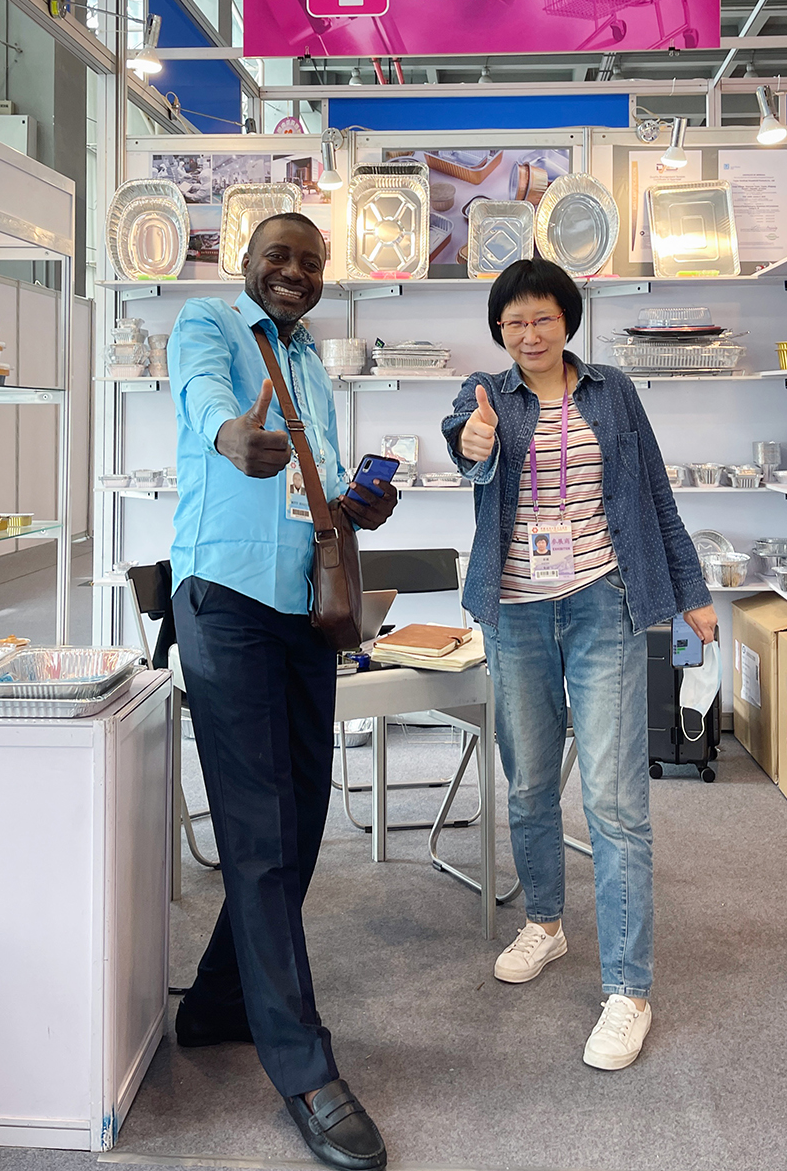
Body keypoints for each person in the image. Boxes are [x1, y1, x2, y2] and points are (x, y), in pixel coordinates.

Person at [442, 258, 716, 1072]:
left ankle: (629, 991)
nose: (529, 335)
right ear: (498, 330)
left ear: (568, 320)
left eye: (543, 319)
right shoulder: (486, 395)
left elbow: (655, 494)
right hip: (517, 613)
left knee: (615, 800)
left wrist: (692, 591)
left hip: (606, 603)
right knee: (529, 783)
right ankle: (546, 924)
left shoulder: (612, 392)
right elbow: (466, 449)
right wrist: (473, 443)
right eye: (513, 323)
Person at [168, 212, 398, 1171]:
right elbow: (205, 399)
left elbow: (314, 485)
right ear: (244, 263)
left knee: (301, 823)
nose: (294, 272)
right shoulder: (210, 325)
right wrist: (231, 437)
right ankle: (303, 1068)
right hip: (225, 601)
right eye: (277, 257)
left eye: (309, 261)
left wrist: (358, 505)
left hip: (305, 608)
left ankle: (217, 1004)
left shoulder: (311, 362)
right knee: (259, 831)